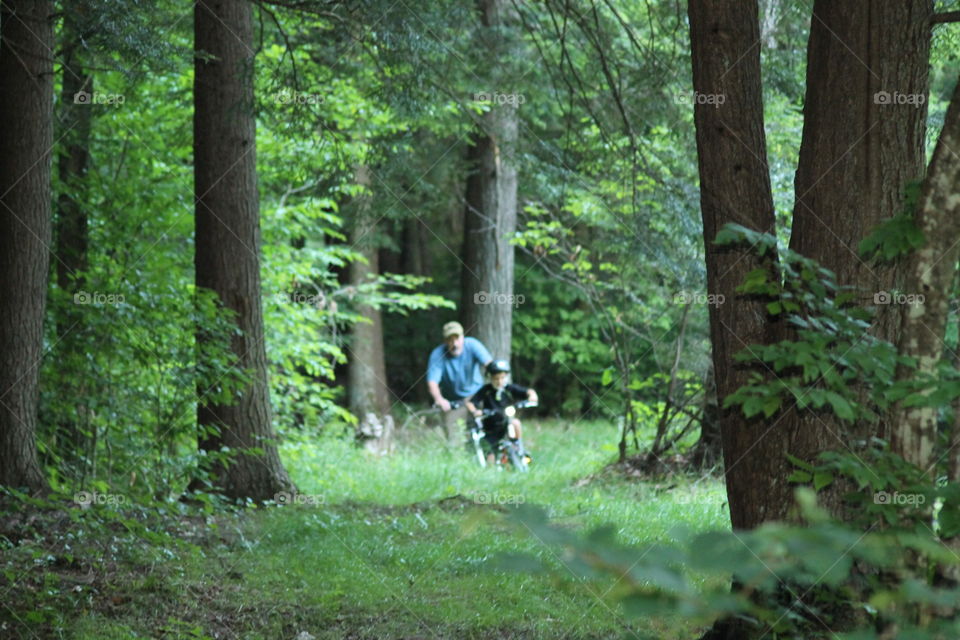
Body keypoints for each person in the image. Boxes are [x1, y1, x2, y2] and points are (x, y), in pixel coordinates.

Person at [426, 321, 492, 446]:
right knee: (453, 438)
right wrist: (440, 400)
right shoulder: (438, 354)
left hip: (477, 395)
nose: (454, 343)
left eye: (457, 338)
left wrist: (496, 380)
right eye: (450, 340)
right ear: (445, 341)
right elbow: (432, 382)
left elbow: (489, 364)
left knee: (493, 422)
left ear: (463, 337)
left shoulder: (472, 345)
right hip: (454, 401)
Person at [465, 359, 537, 465]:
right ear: (490, 378)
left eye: (502, 378)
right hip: (490, 427)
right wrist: (476, 412)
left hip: (506, 422)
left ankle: (519, 448)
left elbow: (528, 391)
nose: (499, 381)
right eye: (496, 379)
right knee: (491, 458)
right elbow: (470, 403)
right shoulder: (486, 390)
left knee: (515, 423)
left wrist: (532, 395)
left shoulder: (509, 388)